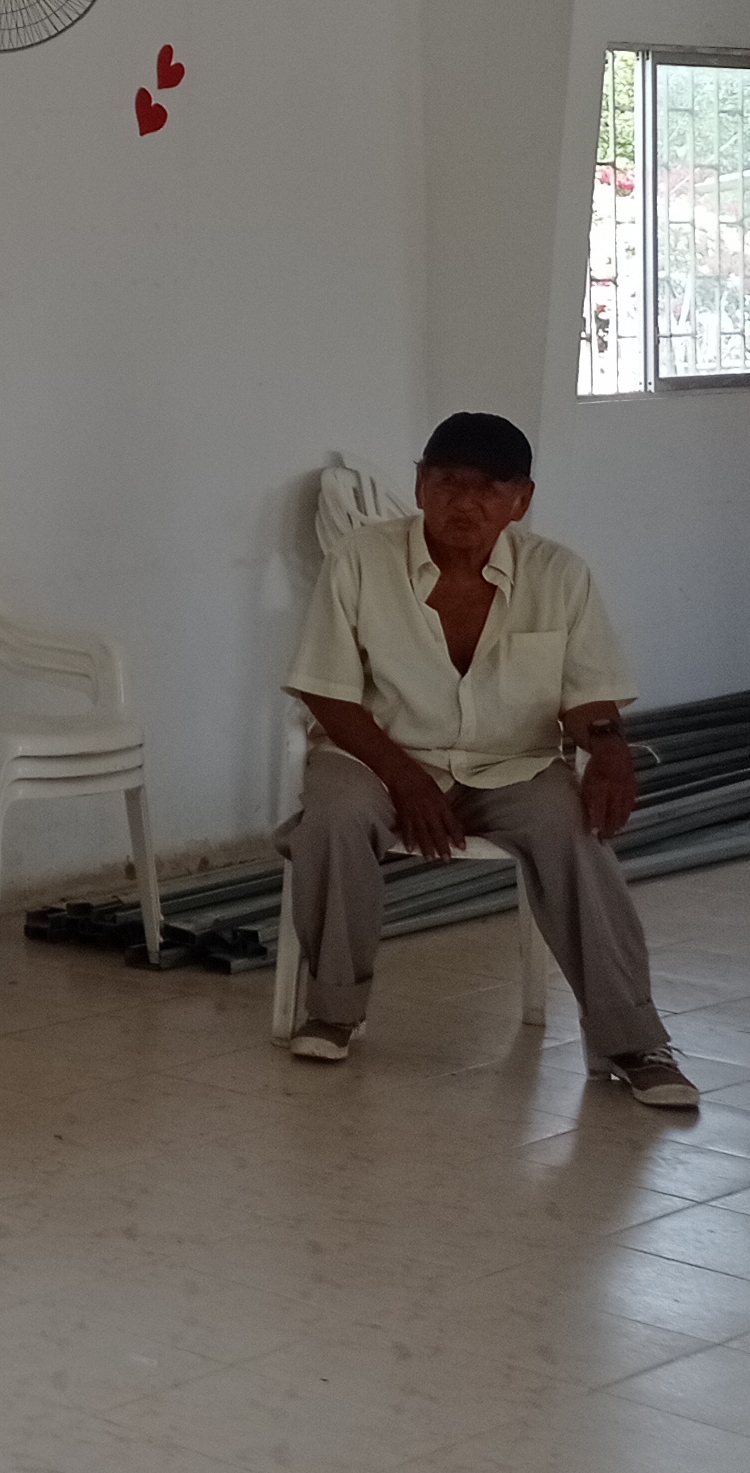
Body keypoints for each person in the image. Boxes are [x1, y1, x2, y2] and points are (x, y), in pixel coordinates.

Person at [280, 409, 692, 1104]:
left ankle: (632, 1039)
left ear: (520, 500)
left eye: (489, 488)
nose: (464, 503)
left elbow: (588, 694)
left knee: (575, 830)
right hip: (375, 756)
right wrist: (405, 780)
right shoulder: (361, 560)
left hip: (511, 765)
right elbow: (328, 693)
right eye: (448, 483)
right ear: (420, 486)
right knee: (336, 813)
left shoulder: (559, 574)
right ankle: (333, 1011)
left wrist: (609, 747)